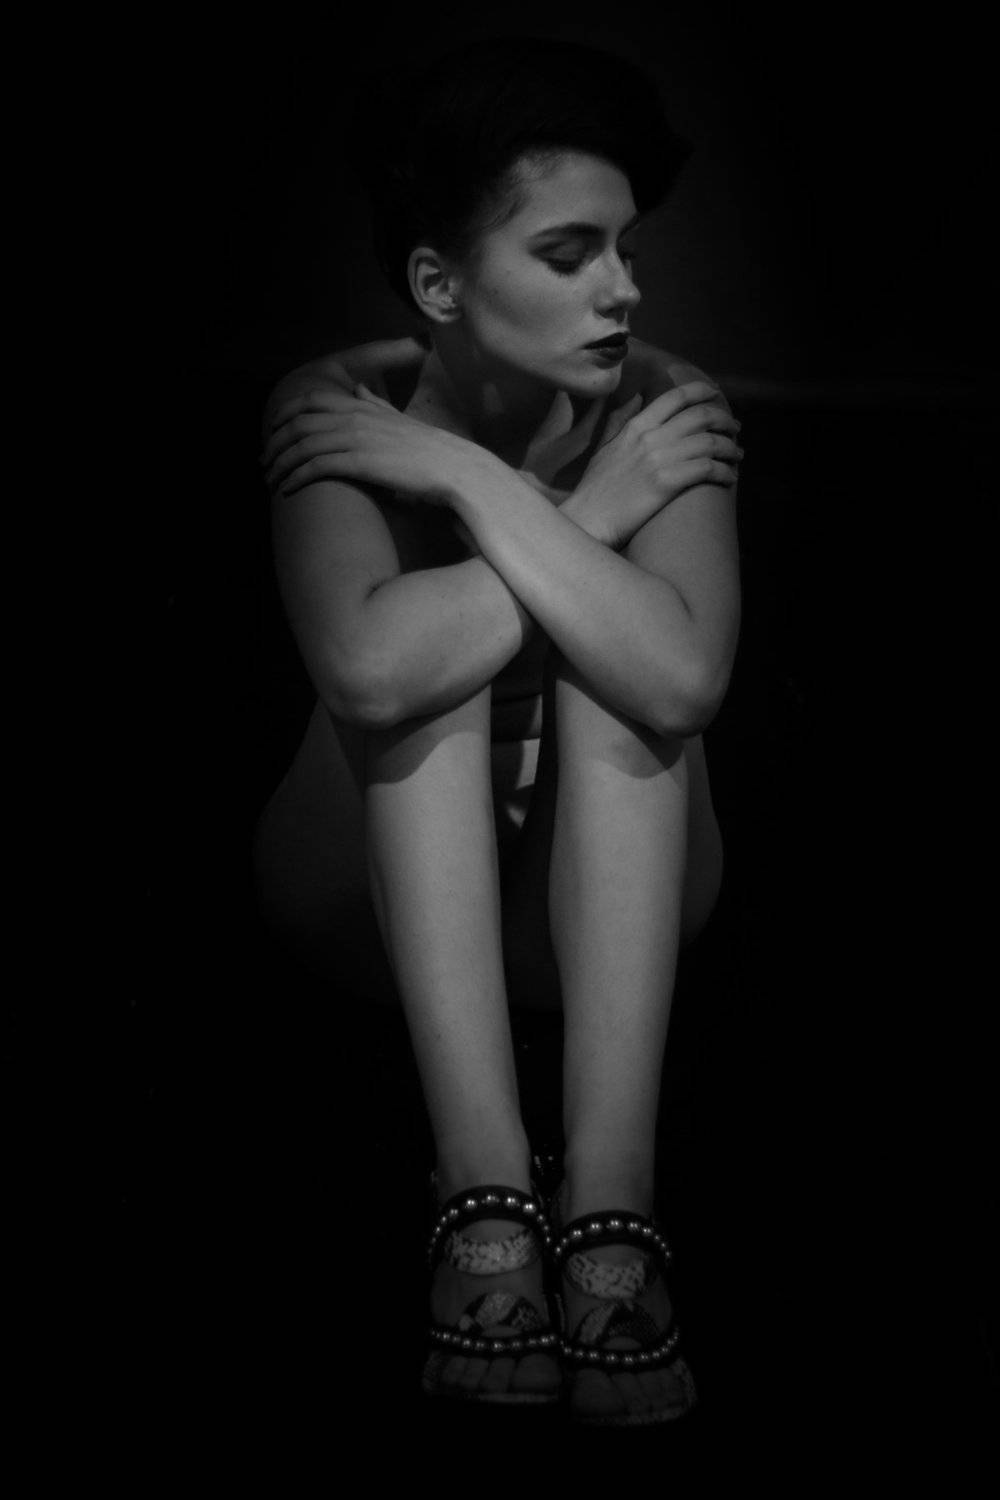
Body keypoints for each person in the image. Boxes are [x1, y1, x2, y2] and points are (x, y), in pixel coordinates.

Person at [255, 36, 742, 1426]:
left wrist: (474, 486)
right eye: (570, 254)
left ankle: (612, 1196)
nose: (622, 288)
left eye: (626, 250)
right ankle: (480, 1184)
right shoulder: (339, 414)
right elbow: (366, 673)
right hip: (365, 905)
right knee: (433, 661)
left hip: (611, 913)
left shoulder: (668, 413)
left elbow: (683, 683)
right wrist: (562, 509)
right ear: (439, 285)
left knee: (616, 660)